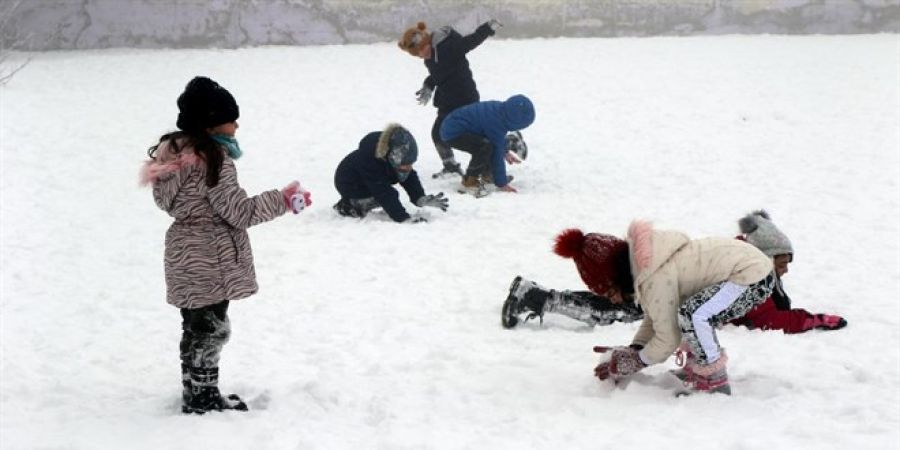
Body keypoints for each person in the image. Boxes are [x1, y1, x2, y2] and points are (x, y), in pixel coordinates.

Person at [140, 77, 311, 414]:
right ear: (211, 122)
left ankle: (195, 391)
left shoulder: (174, 157)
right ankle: (203, 400)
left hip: (183, 249)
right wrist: (284, 199)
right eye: (232, 118)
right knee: (212, 330)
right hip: (211, 255)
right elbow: (240, 212)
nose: (236, 124)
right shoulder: (214, 161)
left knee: (195, 327)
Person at [553, 222, 775, 395]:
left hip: (750, 275)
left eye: (609, 293)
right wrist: (635, 348)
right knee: (685, 313)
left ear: (617, 277)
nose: (613, 301)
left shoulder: (654, 278)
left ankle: (713, 377)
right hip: (749, 269)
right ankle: (700, 364)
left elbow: (667, 338)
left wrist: (637, 360)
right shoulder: (648, 268)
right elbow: (657, 317)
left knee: (693, 314)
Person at [398, 19, 502, 179]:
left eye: (421, 50)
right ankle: (451, 166)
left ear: (427, 42)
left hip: (466, 99)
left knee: (473, 136)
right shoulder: (429, 58)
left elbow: (471, 41)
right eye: (417, 54)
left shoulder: (449, 47)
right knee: (437, 134)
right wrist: (428, 85)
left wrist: (487, 28)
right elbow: (438, 74)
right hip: (447, 102)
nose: (421, 55)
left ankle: (503, 150)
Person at [729, 210, 847, 333]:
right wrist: (814, 320)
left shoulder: (747, 264)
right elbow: (769, 321)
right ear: (766, 260)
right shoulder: (746, 275)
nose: (786, 270)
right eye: (781, 265)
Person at [333, 123, 449, 223]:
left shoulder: (394, 155)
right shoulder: (369, 160)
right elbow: (383, 191)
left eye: (410, 164)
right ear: (393, 157)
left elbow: (409, 177)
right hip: (351, 184)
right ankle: (349, 206)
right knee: (384, 197)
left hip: (371, 181)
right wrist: (403, 218)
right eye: (405, 164)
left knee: (389, 195)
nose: (408, 167)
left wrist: (419, 197)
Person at [439, 95, 535, 195]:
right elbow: (497, 153)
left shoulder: (500, 110)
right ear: (515, 122)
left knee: (490, 143)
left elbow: (494, 138)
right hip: (453, 133)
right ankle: (469, 182)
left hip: (462, 126)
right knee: (484, 147)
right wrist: (502, 183)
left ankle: (488, 175)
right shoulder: (496, 122)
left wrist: (504, 151)